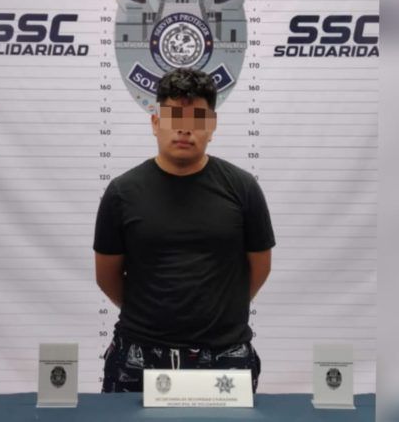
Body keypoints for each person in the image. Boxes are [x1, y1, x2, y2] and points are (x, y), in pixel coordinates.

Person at [93, 68, 274, 393]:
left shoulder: (242, 189)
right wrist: (153, 315)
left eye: (197, 120)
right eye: (174, 117)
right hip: (138, 355)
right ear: (155, 123)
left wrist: (221, 311)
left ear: (212, 126)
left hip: (224, 356)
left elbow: (260, 266)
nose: (184, 129)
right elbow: (106, 275)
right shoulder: (122, 193)